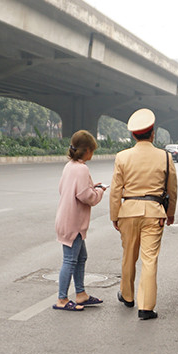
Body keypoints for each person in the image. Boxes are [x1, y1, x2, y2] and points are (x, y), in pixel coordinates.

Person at [109, 108, 178, 320]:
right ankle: (146, 308)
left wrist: (114, 216)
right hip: (154, 213)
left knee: (128, 255)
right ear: (153, 133)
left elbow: (115, 191)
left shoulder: (122, 157)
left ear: (132, 135)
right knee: (149, 260)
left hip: (128, 212)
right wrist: (170, 213)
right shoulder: (165, 157)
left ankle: (128, 297)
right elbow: (172, 189)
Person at [53, 130, 106, 312]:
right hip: (73, 222)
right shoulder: (82, 169)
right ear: (87, 150)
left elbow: (65, 189)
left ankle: (81, 294)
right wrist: (99, 191)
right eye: (92, 150)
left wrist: (92, 188)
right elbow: (86, 196)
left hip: (66, 218)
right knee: (70, 260)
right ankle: (62, 299)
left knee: (81, 257)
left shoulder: (70, 166)